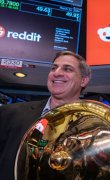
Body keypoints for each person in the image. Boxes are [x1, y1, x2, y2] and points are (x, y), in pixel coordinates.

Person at [0, 51, 91, 180]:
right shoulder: (10, 114)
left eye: (67, 69)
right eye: (54, 68)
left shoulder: (90, 127)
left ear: (83, 80)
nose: (57, 72)